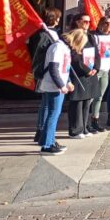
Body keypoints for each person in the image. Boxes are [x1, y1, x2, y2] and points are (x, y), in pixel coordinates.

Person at [38, 26, 74, 154]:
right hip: (54, 86)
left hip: (57, 85)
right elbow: (54, 68)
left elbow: (65, 68)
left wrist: (68, 82)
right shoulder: (58, 48)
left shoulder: (62, 48)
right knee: (53, 114)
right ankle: (47, 145)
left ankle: (49, 140)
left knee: (53, 114)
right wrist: (61, 85)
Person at [30, 7, 62, 144]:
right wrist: (41, 72)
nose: (59, 20)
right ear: (53, 18)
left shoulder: (52, 33)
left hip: (49, 72)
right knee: (46, 105)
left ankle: (42, 132)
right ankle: (42, 131)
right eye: (57, 17)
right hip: (46, 73)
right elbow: (40, 55)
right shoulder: (43, 34)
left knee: (47, 104)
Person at [66, 26, 98, 138]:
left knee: (86, 103)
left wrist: (94, 69)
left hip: (88, 78)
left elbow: (96, 56)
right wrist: (88, 70)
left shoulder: (88, 43)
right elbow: (75, 62)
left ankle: (84, 127)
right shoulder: (71, 48)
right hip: (78, 77)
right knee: (77, 105)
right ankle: (75, 130)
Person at [89, 16, 110, 134]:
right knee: (89, 97)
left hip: (106, 70)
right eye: (106, 23)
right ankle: (84, 122)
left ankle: (95, 120)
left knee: (99, 97)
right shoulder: (94, 36)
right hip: (95, 70)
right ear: (100, 24)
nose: (108, 25)